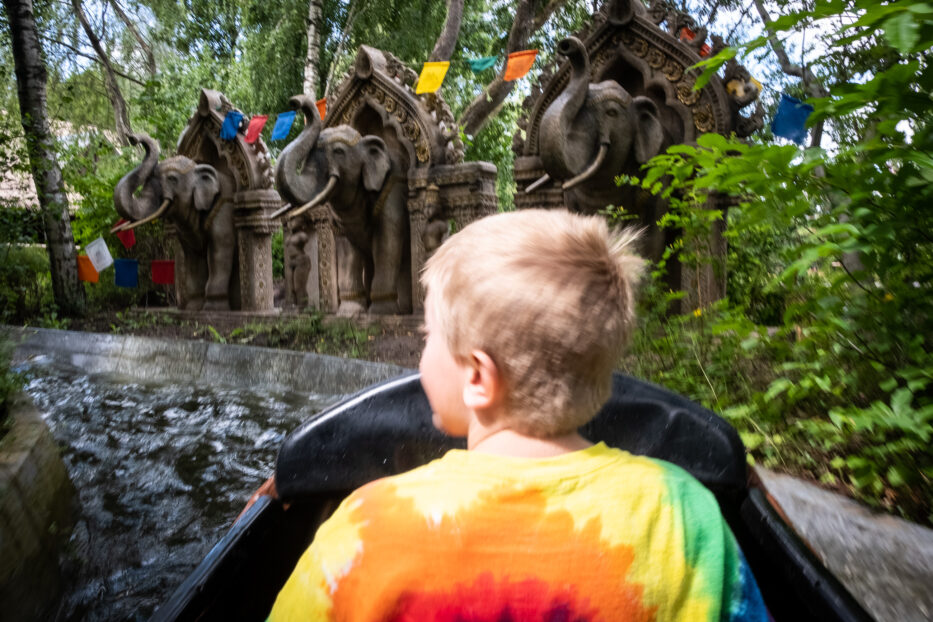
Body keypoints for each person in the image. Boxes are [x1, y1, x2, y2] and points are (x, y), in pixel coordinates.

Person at [268, 209, 768, 621]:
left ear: (479, 379)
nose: (421, 353)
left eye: (428, 338)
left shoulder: (366, 526)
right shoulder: (684, 512)